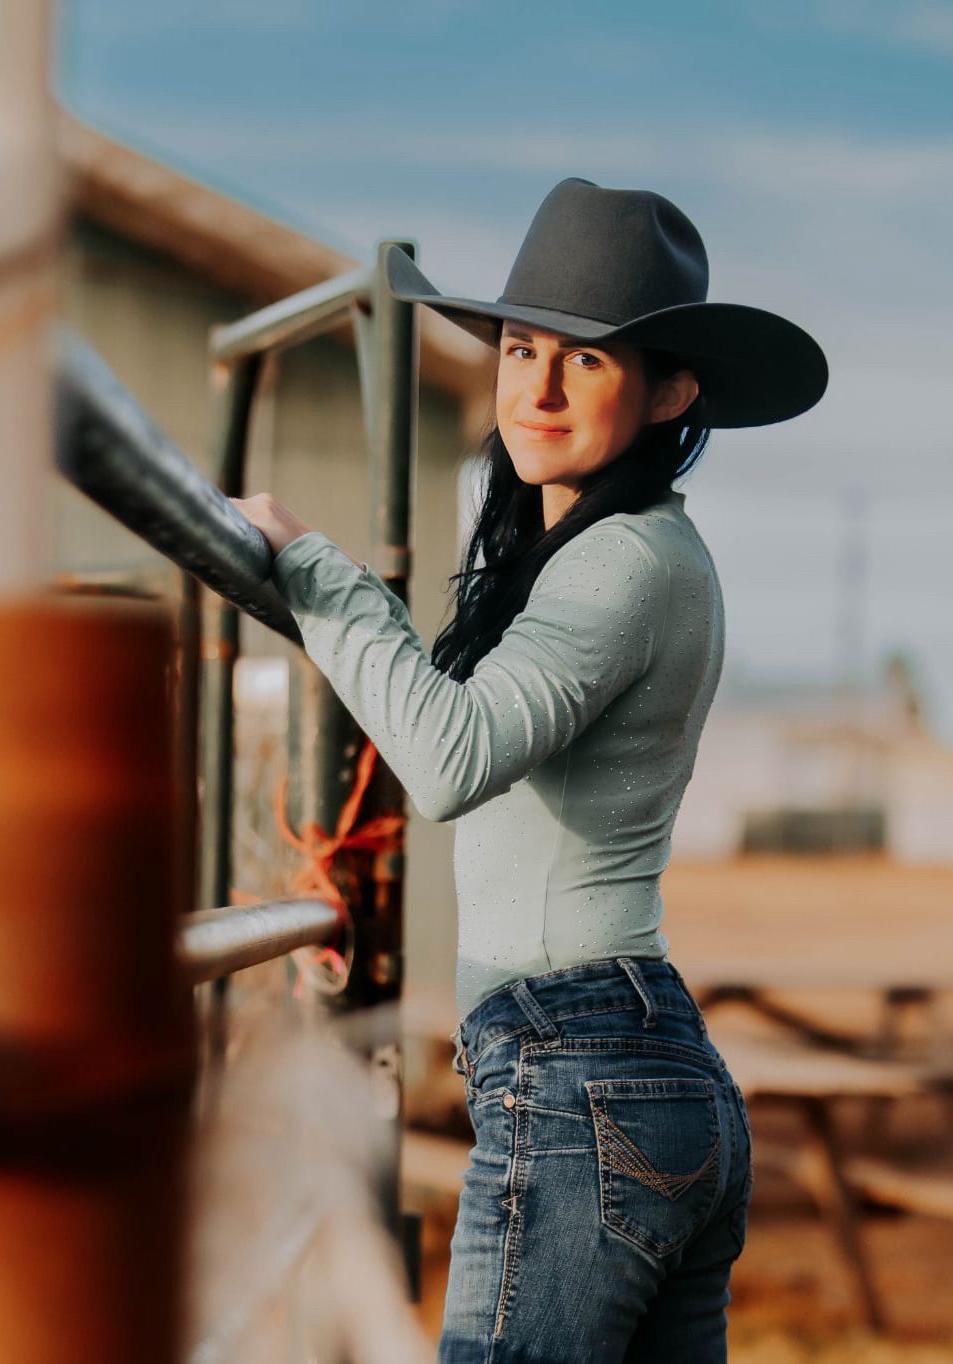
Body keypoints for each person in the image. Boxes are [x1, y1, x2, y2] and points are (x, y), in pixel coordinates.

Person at [232, 177, 827, 1362]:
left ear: (670, 390)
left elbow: (450, 757)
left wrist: (313, 570)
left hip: (576, 1069)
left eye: (586, 362)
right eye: (519, 348)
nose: (537, 389)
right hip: (636, 1068)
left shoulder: (626, 567)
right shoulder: (604, 552)